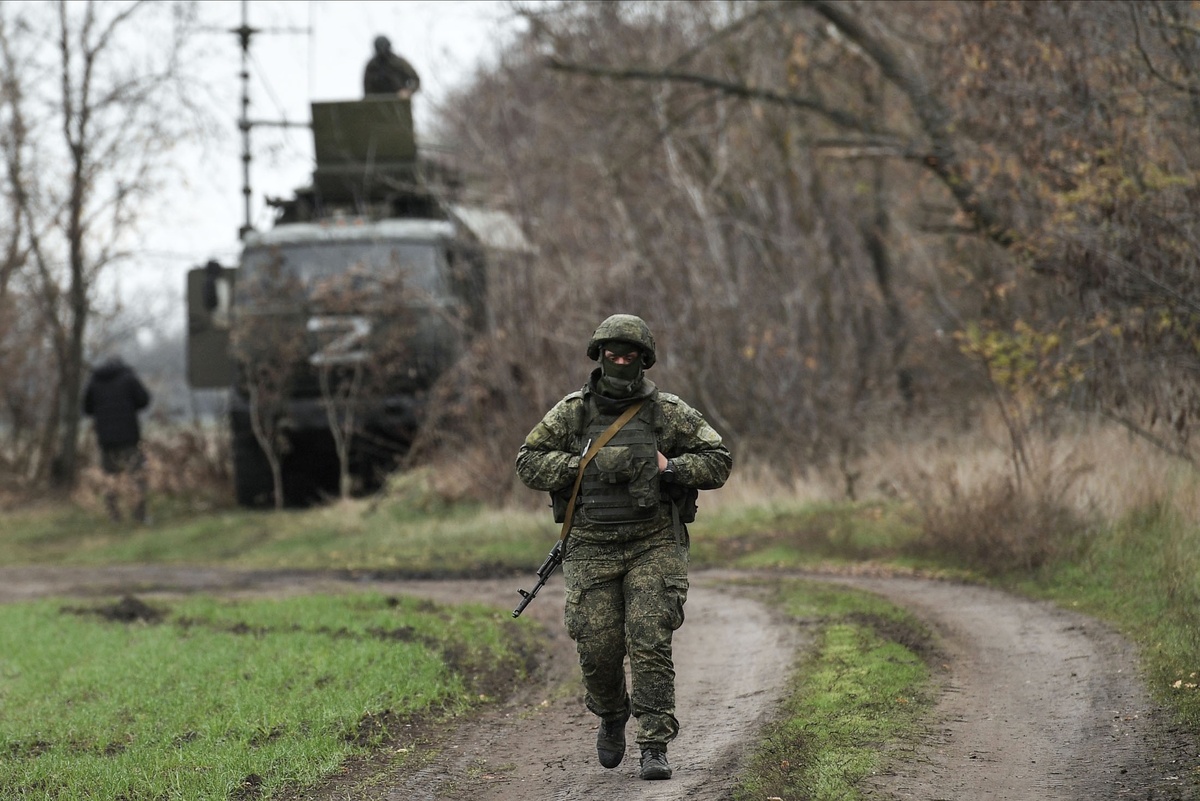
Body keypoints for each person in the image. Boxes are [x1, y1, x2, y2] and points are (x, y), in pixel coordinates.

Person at [515, 314, 732, 781]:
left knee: (650, 638)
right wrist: (580, 466)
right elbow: (528, 461)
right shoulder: (573, 411)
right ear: (598, 355)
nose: (619, 360)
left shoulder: (666, 412)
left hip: (653, 541)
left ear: (643, 359)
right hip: (591, 544)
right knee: (598, 647)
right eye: (611, 353)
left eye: (629, 354)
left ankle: (654, 744)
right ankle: (612, 713)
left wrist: (668, 465)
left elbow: (718, 461)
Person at [83, 355, 152, 523]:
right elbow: (144, 400)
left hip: (106, 439)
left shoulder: (94, 380)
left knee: (110, 477)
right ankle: (139, 515)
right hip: (129, 436)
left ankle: (114, 516)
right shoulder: (128, 378)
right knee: (136, 475)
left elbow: (86, 408)